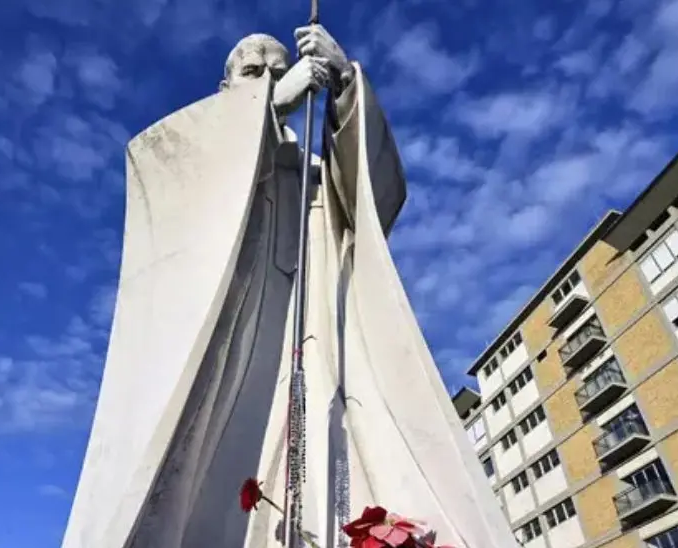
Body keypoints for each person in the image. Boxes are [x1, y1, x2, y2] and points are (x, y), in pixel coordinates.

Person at [61, 25, 517, 548]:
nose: (271, 79)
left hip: (314, 354)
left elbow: (376, 200)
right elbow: (157, 165)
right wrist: (270, 104)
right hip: (227, 360)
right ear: (225, 84)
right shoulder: (189, 155)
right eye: (253, 74)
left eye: (280, 70)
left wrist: (345, 84)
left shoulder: (316, 177)